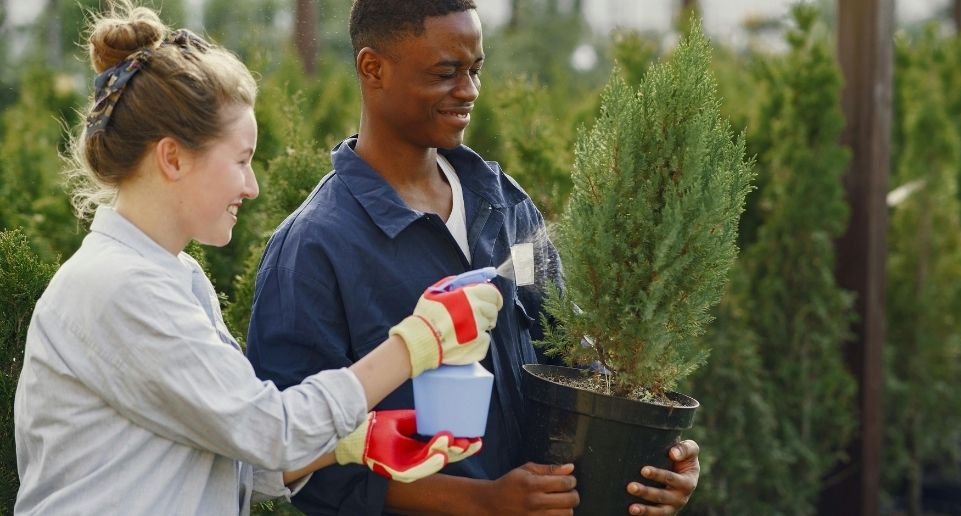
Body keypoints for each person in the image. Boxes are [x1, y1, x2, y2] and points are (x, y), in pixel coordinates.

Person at [13, 3, 504, 515]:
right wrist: (417, 344)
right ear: (173, 157)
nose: (251, 187)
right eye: (241, 161)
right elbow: (268, 431)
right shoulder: (119, 287)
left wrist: (348, 445)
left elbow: (231, 447)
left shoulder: (176, 276)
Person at [246, 1, 701, 515]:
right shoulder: (313, 248)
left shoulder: (505, 206)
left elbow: (572, 357)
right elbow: (291, 459)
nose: (469, 91)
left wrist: (649, 460)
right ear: (373, 68)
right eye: (446, 73)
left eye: (475, 70)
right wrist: (484, 502)